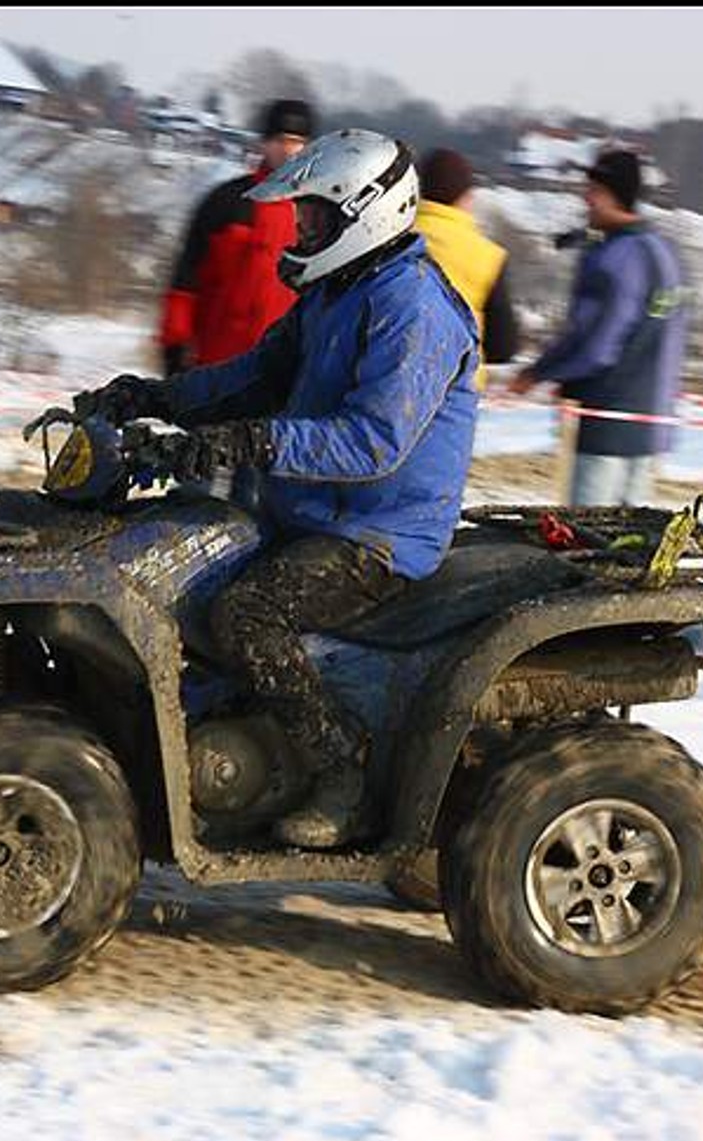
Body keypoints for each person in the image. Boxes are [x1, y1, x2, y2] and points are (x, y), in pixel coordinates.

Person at [73, 130, 481, 849]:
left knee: (246, 614)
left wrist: (255, 441)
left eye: (316, 219)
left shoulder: (413, 308)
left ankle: (342, 769)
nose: (302, 231)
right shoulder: (339, 290)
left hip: (376, 534)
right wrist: (155, 399)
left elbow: (373, 443)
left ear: (367, 214)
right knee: (172, 565)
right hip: (310, 509)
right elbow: (251, 376)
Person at [158, 99, 317, 506]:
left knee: (258, 496)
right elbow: (185, 280)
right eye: (281, 140)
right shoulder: (227, 203)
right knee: (196, 483)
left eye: (299, 141)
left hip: (282, 382)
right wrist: (175, 347)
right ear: (264, 143)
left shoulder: (319, 218)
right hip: (218, 372)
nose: (289, 151)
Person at [511, 149, 688, 507]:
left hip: (604, 423)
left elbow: (594, 344)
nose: (585, 198)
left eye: (592, 189)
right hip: (650, 422)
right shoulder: (664, 253)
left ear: (613, 193)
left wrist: (538, 372)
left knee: (586, 540)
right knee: (628, 544)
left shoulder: (613, 260)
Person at [412, 148, 520, 386]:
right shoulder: (488, 256)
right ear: (466, 197)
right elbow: (503, 347)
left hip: (386, 386)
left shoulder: (388, 240)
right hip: (455, 394)